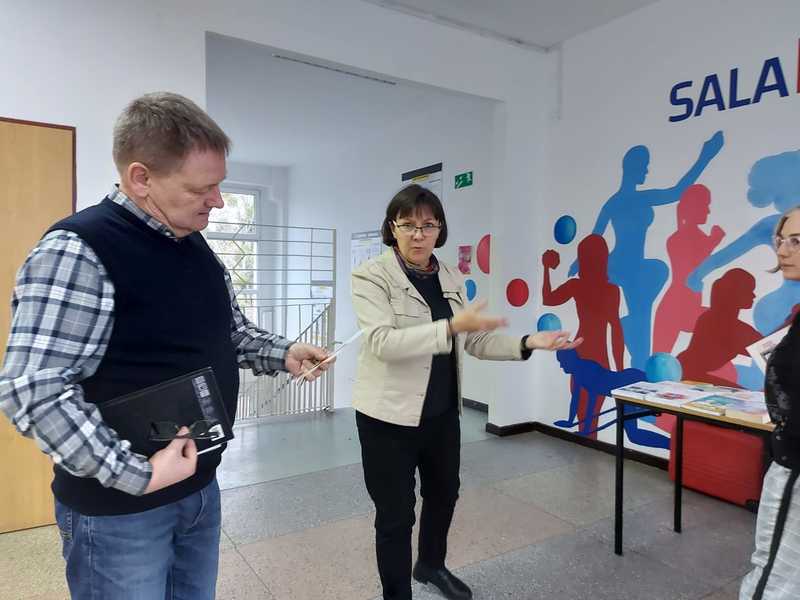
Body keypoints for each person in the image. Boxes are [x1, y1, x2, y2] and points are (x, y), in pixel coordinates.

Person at [0, 92, 331, 600]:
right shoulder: (79, 250)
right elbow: (32, 389)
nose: (218, 201)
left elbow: (229, 331)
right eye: (202, 188)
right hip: (121, 514)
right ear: (141, 178)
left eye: (219, 184)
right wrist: (138, 474)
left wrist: (284, 353)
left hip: (198, 489)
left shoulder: (192, 244)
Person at [351, 184, 581, 600]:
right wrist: (451, 327)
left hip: (441, 413)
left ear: (440, 229)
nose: (418, 235)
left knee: (444, 494)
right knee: (396, 516)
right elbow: (383, 342)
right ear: (392, 228)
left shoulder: (450, 276)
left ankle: (431, 564)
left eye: (428, 225)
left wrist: (529, 341)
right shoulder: (370, 276)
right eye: (408, 225)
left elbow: (473, 340)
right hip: (388, 418)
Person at [572, 131, 724, 369]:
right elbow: (595, 236)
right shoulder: (621, 201)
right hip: (622, 266)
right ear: (632, 167)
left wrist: (705, 157)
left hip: (635, 267)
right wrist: (705, 157)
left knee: (642, 327)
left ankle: (633, 351)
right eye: (644, 166)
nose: (646, 171)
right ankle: (632, 349)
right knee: (641, 326)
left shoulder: (632, 199)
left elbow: (677, 192)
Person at [740, 206, 800, 600]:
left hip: (796, 467)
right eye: (781, 240)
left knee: (774, 580)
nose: (782, 251)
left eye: (797, 241)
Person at [542, 234, 624, 437]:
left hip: (581, 353)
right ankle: (588, 447)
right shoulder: (611, 290)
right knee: (590, 415)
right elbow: (616, 331)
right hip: (599, 357)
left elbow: (548, 298)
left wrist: (546, 268)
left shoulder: (577, 286)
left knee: (584, 413)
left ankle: (586, 447)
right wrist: (620, 369)